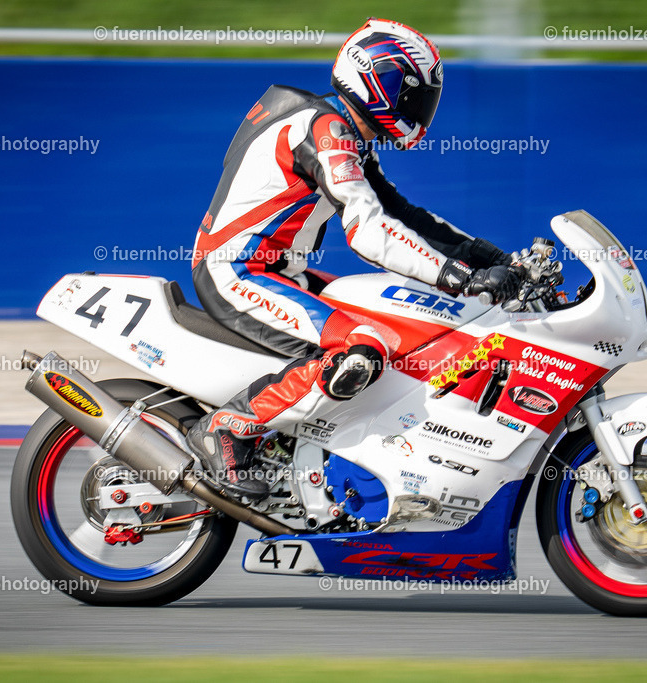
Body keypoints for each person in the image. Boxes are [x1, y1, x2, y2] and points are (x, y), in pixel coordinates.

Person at [187, 18, 519, 499]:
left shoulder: (342, 131)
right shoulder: (323, 129)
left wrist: (491, 257)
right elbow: (368, 230)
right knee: (361, 345)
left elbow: (403, 213)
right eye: (413, 97)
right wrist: (461, 278)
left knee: (399, 319)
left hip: (279, 271)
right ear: (379, 82)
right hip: (235, 272)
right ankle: (228, 427)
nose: (421, 110)